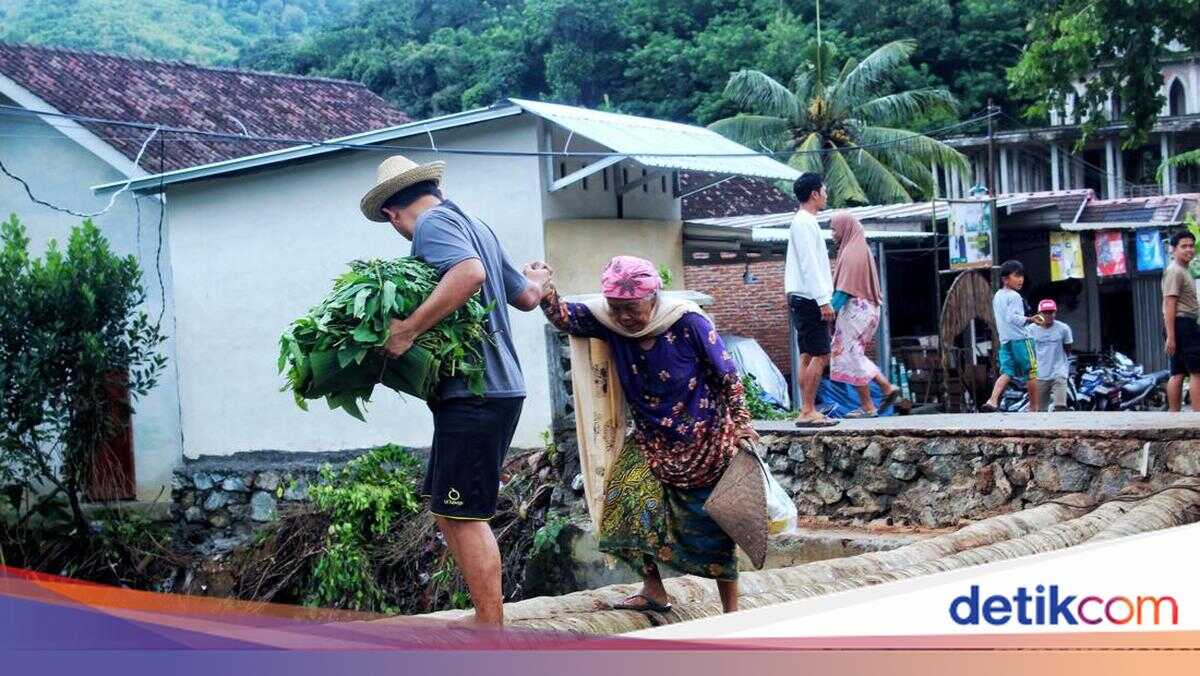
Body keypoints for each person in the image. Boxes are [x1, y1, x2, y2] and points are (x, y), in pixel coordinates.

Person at [360, 155, 545, 626]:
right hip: (494, 390)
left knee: (464, 515)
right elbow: (524, 297)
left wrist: (406, 330)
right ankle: (485, 615)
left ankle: (490, 624)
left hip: (476, 392)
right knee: (449, 509)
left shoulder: (430, 225)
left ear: (391, 213)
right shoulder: (473, 223)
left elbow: (469, 275)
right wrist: (540, 280)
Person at [536, 255, 755, 614]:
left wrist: (742, 424)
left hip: (703, 442)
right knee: (625, 504)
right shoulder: (609, 322)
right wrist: (544, 288)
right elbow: (565, 316)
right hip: (651, 441)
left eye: (632, 308)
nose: (623, 317)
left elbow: (728, 375)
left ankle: (731, 612)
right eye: (615, 308)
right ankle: (654, 590)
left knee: (712, 528)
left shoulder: (688, 322)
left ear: (654, 298)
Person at [828, 212, 902, 418]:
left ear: (845, 227)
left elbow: (844, 289)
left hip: (856, 309)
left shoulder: (852, 252)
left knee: (851, 354)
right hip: (867, 309)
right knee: (854, 354)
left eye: (834, 229)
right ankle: (875, 399)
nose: (833, 234)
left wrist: (828, 310)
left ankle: (876, 398)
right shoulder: (860, 248)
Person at [786, 172, 837, 427]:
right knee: (820, 353)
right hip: (809, 298)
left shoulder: (803, 222)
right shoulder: (804, 222)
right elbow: (810, 265)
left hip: (802, 297)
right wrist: (822, 300)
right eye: (824, 191)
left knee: (807, 353)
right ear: (815, 193)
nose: (826, 196)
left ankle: (806, 408)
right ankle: (808, 409)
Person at [981, 260, 1041, 413]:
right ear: (1005, 279)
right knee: (1032, 372)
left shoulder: (998, 296)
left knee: (1007, 372)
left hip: (1005, 341)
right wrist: (1030, 319)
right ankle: (1034, 408)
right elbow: (1012, 317)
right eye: (1017, 276)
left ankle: (992, 400)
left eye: (1021, 276)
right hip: (1021, 340)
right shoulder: (1014, 296)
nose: (1021, 279)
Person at [1162, 229, 1200, 412]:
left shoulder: (1184, 270)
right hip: (1182, 324)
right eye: (1183, 246)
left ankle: (1174, 416)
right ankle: (1197, 416)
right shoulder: (1175, 271)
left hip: (1180, 325)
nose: (1189, 250)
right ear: (1173, 249)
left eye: (1191, 246)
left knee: (1177, 371)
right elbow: (1169, 302)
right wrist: (1171, 335)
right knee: (1196, 371)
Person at [1029, 299, 1073, 412]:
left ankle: (1061, 428)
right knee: (1040, 411)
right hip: (1040, 374)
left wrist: (1060, 361)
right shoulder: (1030, 330)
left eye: (1051, 312)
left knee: (1060, 407)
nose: (1049, 315)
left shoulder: (1063, 328)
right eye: (1045, 312)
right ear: (1039, 314)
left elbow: (1068, 348)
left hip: (1059, 372)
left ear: (1055, 313)